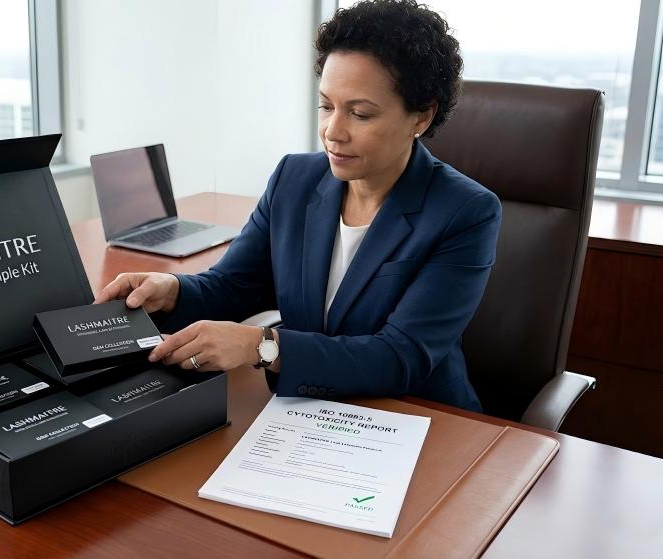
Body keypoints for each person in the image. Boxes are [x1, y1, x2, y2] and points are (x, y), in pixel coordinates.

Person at [94, 0, 500, 412]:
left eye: (360, 114)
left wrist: (262, 346)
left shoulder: (465, 212)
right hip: (306, 412)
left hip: (416, 415)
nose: (332, 131)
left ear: (421, 117)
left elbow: (400, 356)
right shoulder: (294, 179)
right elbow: (235, 285)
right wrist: (172, 292)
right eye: (326, 106)